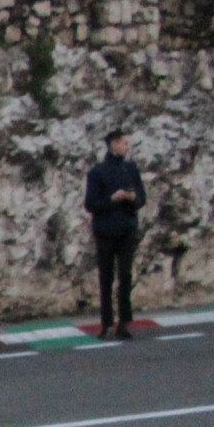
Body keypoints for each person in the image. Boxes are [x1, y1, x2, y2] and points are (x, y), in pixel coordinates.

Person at [83, 130, 145, 339]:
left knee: (126, 276)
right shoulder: (97, 172)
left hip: (127, 230)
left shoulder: (131, 169)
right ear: (113, 144)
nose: (127, 147)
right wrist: (112, 199)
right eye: (124, 143)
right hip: (105, 232)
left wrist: (133, 197)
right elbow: (90, 204)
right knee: (106, 278)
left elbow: (141, 198)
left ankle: (124, 322)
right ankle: (106, 322)